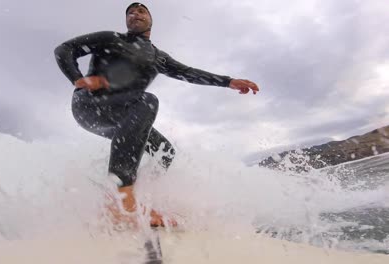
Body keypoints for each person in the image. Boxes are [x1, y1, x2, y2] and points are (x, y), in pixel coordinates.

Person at [54, 2, 259, 227]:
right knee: (147, 101)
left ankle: (136, 196)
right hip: (89, 105)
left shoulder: (158, 57)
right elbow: (64, 49)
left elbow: (188, 73)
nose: (135, 14)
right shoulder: (110, 39)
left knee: (165, 152)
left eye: (141, 11)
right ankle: (122, 200)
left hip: (124, 113)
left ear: (151, 19)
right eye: (130, 12)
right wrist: (77, 78)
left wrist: (228, 81)